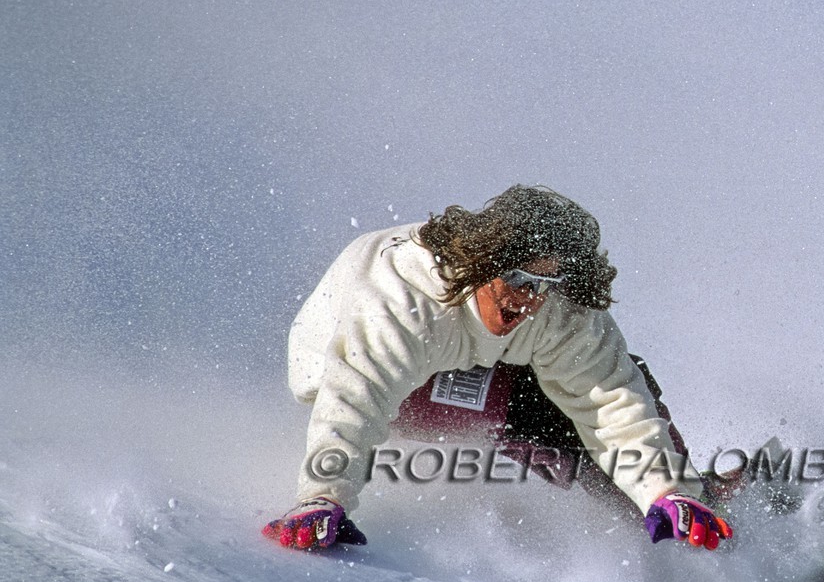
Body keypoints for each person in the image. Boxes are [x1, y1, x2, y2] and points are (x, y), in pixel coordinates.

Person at [262, 184, 732, 553]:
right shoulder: (404, 302)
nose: (529, 299)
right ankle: (671, 542)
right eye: (519, 279)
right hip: (352, 374)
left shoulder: (554, 307)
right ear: (485, 262)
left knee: (610, 380)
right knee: (540, 414)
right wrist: (323, 498)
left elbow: (611, 398)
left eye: (548, 283)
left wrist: (666, 489)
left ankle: (688, 505)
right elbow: (355, 397)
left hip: (471, 360)